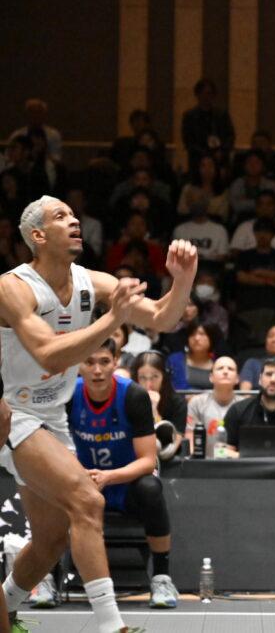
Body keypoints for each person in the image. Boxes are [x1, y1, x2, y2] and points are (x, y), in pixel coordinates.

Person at [0, 195, 197, 633]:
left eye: (74, 214)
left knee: (50, 541)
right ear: (38, 236)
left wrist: (182, 281)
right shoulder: (13, 287)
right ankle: (112, 626)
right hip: (13, 414)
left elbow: (162, 319)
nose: (74, 221)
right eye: (61, 216)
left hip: (52, 416)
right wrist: (112, 321)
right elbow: (49, 354)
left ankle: (5, 608)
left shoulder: (92, 281)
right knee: (88, 502)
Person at [63, 341, 179, 608]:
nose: (97, 370)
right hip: (84, 484)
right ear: (79, 365)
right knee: (48, 485)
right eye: (89, 362)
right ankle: (46, 576)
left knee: (151, 487)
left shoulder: (133, 395)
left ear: (116, 362)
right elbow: (55, 448)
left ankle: (162, 578)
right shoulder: (68, 394)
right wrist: (80, 476)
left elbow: (148, 461)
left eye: (104, 361)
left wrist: (109, 476)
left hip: (125, 484)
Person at [131, 351, 188, 456]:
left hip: (166, 461)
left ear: (164, 377)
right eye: (142, 378)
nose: (148, 384)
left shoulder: (178, 403)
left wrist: (154, 410)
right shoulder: (128, 400)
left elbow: (168, 451)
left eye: (154, 377)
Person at [186, 356, 244, 458]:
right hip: (203, 463)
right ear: (211, 377)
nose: (225, 372)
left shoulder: (244, 405)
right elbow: (190, 437)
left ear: (237, 379)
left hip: (235, 463)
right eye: (220, 368)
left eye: (230, 369)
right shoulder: (197, 403)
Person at [181, 78, 235, 174]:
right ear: (197, 95)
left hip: (220, 160)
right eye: (202, 93)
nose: (206, 97)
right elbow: (188, 140)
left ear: (214, 95)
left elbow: (230, 135)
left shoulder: (222, 115)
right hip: (198, 161)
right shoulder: (189, 116)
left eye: (209, 93)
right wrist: (206, 155)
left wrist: (222, 151)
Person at [166, 322, 221, 391]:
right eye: (192, 334)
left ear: (211, 338)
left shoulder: (219, 363)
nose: (196, 338)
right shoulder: (175, 359)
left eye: (202, 334)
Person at [8, 99, 62, 163]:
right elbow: (9, 158)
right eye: (32, 112)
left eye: (38, 112)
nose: (35, 115)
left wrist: (40, 153)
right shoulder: (17, 135)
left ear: (44, 114)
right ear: (26, 115)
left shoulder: (53, 135)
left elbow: (56, 158)